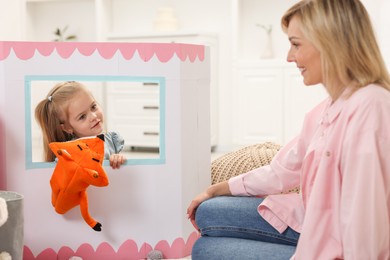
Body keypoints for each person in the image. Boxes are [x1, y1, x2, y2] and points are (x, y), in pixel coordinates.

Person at [187, 0, 390, 259]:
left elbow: (367, 232)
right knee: (208, 213)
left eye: (296, 44)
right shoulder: (327, 108)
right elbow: (280, 171)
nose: (289, 56)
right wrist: (214, 189)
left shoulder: (371, 108)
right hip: (315, 225)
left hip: (332, 247)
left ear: (331, 43)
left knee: (207, 251)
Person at [35, 81, 126, 169]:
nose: (94, 116)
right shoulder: (69, 152)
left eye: (93, 107)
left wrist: (118, 159)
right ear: (67, 128)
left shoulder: (111, 140)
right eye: (82, 117)